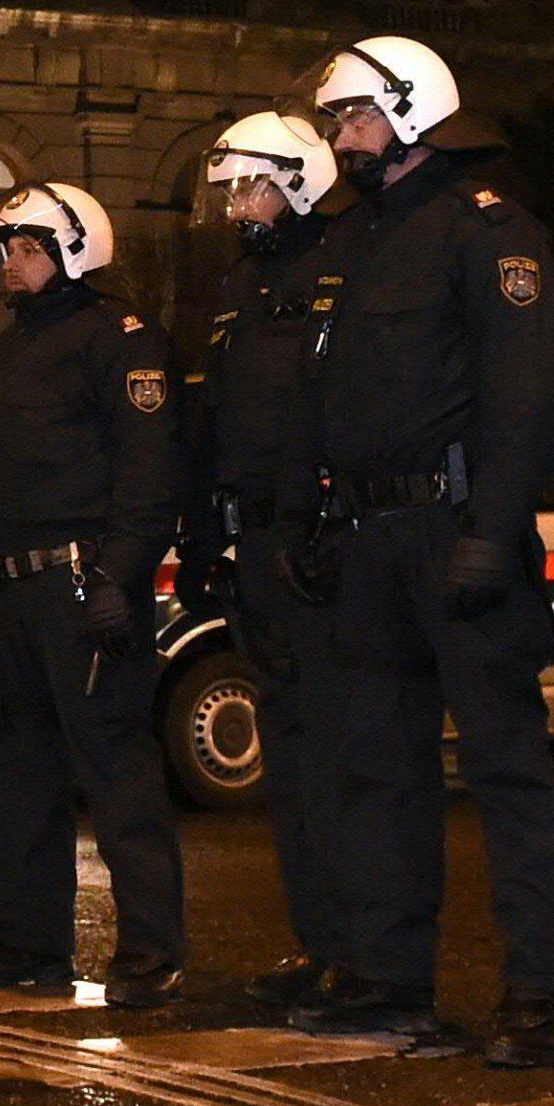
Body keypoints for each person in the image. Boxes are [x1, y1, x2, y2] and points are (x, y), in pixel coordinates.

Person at [290, 38, 554, 1063]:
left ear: (413, 113)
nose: (340, 137)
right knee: (376, 765)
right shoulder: (356, 240)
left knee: (509, 766)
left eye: (355, 117)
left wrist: (493, 531)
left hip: (457, 530)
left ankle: (546, 997)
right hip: (372, 535)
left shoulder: (486, 230)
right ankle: (388, 978)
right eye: (335, 121)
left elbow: (524, 391)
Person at [0, 182, 185, 1008]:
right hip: (16, 586)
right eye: (7, 250)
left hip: (84, 581)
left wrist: (120, 575)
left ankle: (153, 949)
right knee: (23, 772)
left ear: (74, 249)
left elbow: (148, 471)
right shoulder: (15, 348)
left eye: (25, 249)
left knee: (117, 768)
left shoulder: (117, 340)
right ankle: (29, 940)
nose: (9, 265)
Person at [180, 110, 354, 1019]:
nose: (235, 205)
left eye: (247, 186)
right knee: (287, 759)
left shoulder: (339, 264)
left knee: (336, 754)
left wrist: (321, 517)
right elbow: (215, 427)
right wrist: (206, 538)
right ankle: (318, 944)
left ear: (294, 179)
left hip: (314, 540)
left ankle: (361, 954)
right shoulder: (242, 283)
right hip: (252, 543)